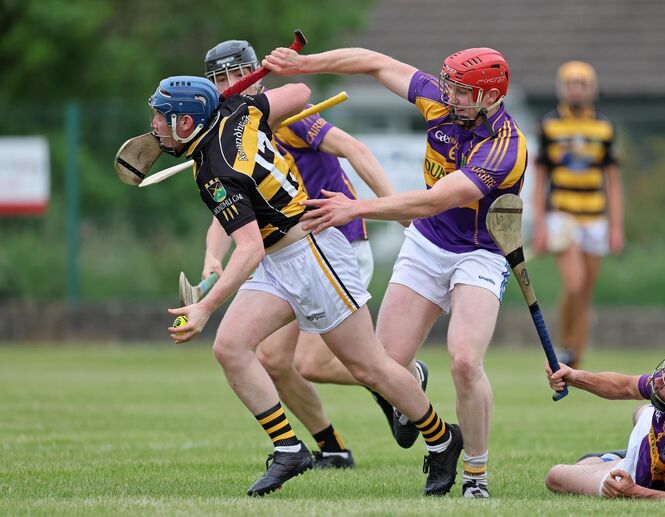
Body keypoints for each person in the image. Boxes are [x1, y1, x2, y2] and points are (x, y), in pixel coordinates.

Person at [148, 75, 462, 497]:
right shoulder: (239, 111)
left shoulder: (215, 171)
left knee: (368, 366)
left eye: (161, 118)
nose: (154, 126)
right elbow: (300, 92)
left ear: (187, 123)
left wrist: (205, 309)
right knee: (231, 347)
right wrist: (252, 109)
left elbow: (248, 250)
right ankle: (289, 448)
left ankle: (442, 439)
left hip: (312, 255)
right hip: (282, 258)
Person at [263, 45, 528, 498]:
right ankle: (417, 391)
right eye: (449, 86)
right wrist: (305, 65)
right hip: (428, 245)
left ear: (489, 97)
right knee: (380, 366)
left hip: (480, 253)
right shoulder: (439, 102)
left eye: (462, 92)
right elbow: (375, 62)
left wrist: (357, 207)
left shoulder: (505, 147)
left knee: (465, 361)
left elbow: (435, 200)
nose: (449, 97)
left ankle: (476, 476)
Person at [200, 39, 415, 469]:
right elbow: (228, 207)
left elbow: (356, 149)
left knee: (312, 363)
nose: (229, 85)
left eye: (234, 74)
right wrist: (212, 257)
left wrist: (396, 208)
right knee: (274, 360)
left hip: (336, 242)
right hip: (290, 254)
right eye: (219, 78)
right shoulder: (224, 131)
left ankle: (402, 380)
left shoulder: (286, 119)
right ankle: (332, 446)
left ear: (254, 73)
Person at [544, 347, 665, 500]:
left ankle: (616, 460)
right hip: (658, 440)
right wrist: (574, 377)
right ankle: (621, 457)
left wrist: (633, 491)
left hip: (642, 476)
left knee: (556, 476)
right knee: (641, 411)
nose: (658, 380)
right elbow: (626, 386)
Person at [532, 60, 625, 369]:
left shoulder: (603, 126)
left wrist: (616, 227)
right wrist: (540, 225)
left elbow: (612, 180)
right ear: (562, 88)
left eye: (582, 83)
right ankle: (563, 344)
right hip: (562, 215)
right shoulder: (549, 125)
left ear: (592, 88)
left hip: (595, 217)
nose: (576, 89)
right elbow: (540, 177)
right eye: (570, 83)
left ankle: (576, 360)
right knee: (574, 284)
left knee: (585, 292)